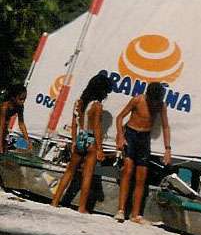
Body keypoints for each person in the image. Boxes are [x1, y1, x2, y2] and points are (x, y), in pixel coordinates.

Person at [51, 74, 112, 212]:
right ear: (101, 90)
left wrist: (74, 141)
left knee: (69, 171)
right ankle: (82, 207)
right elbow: (97, 128)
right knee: (87, 175)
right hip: (91, 140)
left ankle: (55, 201)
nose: (106, 95)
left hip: (80, 137)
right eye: (106, 91)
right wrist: (100, 149)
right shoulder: (97, 106)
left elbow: (74, 124)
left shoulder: (79, 102)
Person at [114, 82, 171, 223]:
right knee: (127, 171)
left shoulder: (160, 105)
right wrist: (120, 136)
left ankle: (135, 214)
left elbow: (165, 127)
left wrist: (167, 149)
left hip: (145, 138)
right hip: (131, 134)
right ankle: (121, 210)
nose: (154, 103)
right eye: (152, 100)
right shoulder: (138, 100)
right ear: (148, 96)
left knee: (142, 176)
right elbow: (120, 117)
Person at [0, 85, 31, 154]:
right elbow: (1, 127)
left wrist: (27, 140)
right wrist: (0, 147)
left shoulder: (20, 106)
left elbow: (21, 123)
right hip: (1, 125)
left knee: (5, 146)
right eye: (21, 99)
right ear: (13, 98)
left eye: (24, 99)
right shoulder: (4, 107)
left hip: (3, 125)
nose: (23, 101)